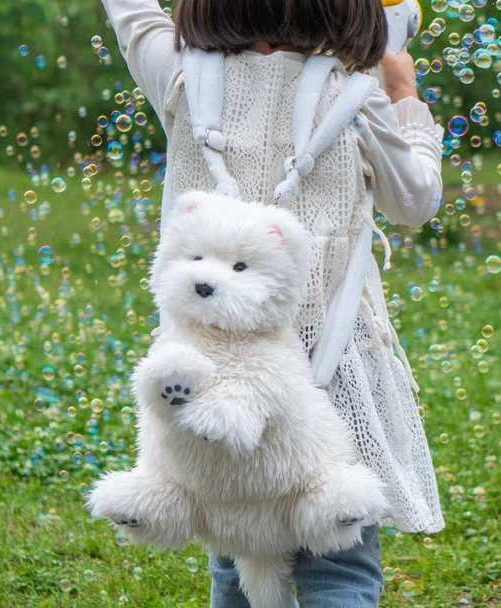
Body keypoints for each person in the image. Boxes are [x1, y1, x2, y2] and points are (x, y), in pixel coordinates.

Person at [99, 0, 445, 606]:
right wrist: (405, 92)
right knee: (339, 567)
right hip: (332, 372)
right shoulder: (357, 92)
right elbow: (414, 202)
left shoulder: (183, 75)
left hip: (210, 379)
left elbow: (131, 13)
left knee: (234, 561)